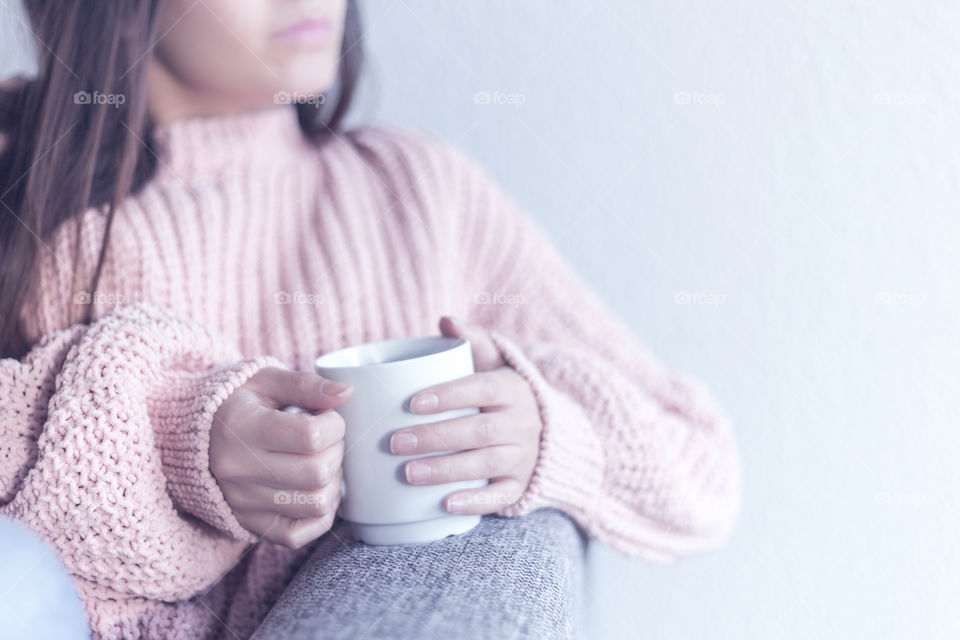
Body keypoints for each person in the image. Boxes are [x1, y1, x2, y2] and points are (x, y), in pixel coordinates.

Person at [0, 1, 743, 638]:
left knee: (508, 524)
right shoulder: (21, 186)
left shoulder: (420, 193)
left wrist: (544, 439)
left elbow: (700, 462)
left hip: (391, 604)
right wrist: (178, 446)